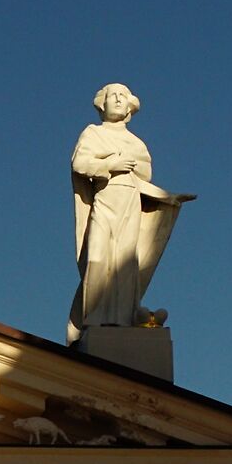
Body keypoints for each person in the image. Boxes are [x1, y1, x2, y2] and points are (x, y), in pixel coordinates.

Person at [69, 82, 191, 336]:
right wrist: (113, 163)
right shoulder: (93, 133)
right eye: (111, 95)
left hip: (131, 199)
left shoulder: (135, 142)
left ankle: (122, 317)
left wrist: (168, 197)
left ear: (129, 107)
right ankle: (93, 315)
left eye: (122, 96)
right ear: (102, 104)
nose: (116, 99)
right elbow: (80, 163)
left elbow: (144, 173)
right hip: (105, 196)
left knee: (126, 260)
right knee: (99, 256)